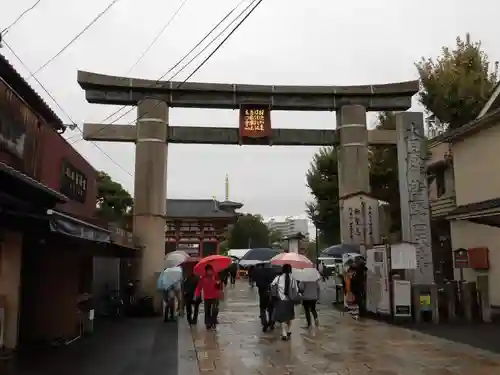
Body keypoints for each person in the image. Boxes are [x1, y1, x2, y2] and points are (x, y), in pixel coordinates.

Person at [271, 263, 299, 341]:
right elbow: (296, 289)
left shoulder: (278, 277)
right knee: (289, 317)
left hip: (281, 300)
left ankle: (284, 333)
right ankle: (289, 331)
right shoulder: (293, 278)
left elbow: (272, 285)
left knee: (282, 318)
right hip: (290, 300)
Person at [194, 264, 222, 330]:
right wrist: (197, 295)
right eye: (208, 270)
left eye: (211, 270)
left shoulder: (215, 276)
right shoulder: (203, 278)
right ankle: (208, 323)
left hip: (215, 296)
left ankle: (213, 321)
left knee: (215, 310)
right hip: (207, 297)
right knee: (207, 310)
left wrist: (218, 284)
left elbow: (219, 287)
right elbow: (198, 287)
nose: (210, 272)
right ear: (206, 271)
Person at [253, 263, 275, 332]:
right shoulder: (273, 271)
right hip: (271, 292)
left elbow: (256, 281)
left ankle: (264, 322)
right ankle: (271, 322)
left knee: (262, 308)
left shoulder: (258, 271)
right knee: (271, 308)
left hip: (262, 292)